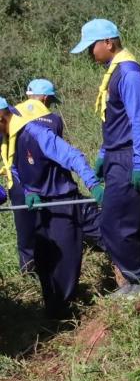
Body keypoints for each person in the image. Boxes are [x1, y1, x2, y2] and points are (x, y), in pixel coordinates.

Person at [72, 18, 140, 297]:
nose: (89, 53)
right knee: (130, 218)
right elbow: (115, 122)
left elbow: (138, 120)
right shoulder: (114, 72)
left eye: (91, 47)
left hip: (131, 157)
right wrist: (103, 154)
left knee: (113, 222)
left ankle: (139, 280)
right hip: (117, 155)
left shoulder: (129, 74)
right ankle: (137, 278)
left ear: (108, 42)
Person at [0, 97, 105, 318]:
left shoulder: (35, 133)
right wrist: (30, 192)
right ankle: (53, 309)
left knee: (65, 258)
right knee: (43, 257)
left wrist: (93, 185)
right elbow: (17, 169)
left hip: (62, 202)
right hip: (42, 206)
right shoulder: (9, 140)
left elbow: (72, 156)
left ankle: (65, 311)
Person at [7, 78, 65, 273]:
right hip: (46, 181)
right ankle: (51, 270)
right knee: (49, 225)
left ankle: (27, 270)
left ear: (28, 95)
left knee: (24, 229)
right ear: (46, 98)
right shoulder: (53, 119)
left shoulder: (10, 114)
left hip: (16, 181)